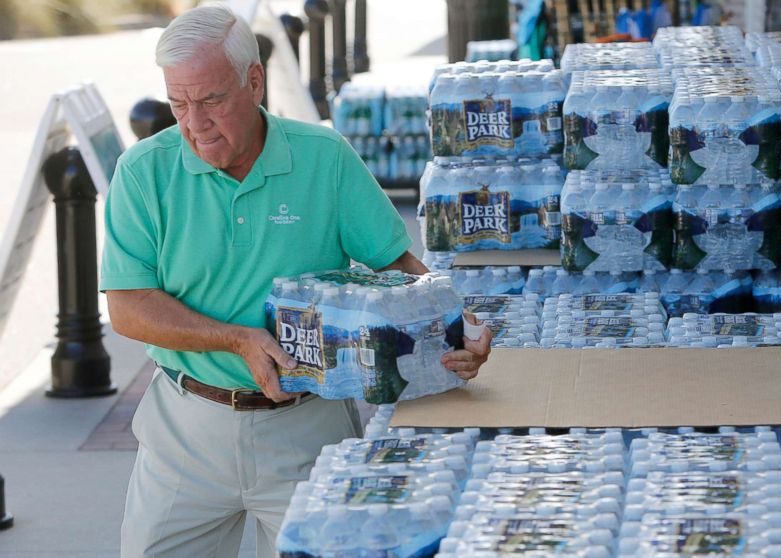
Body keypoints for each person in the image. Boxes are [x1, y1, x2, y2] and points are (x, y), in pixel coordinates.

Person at [100, 5, 492, 557]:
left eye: (211, 99)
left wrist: (459, 326)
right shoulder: (143, 172)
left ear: (254, 80)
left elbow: (397, 266)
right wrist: (237, 338)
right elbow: (129, 307)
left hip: (310, 430)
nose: (194, 123)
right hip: (185, 434)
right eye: (178, 103)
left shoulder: (324, 157)